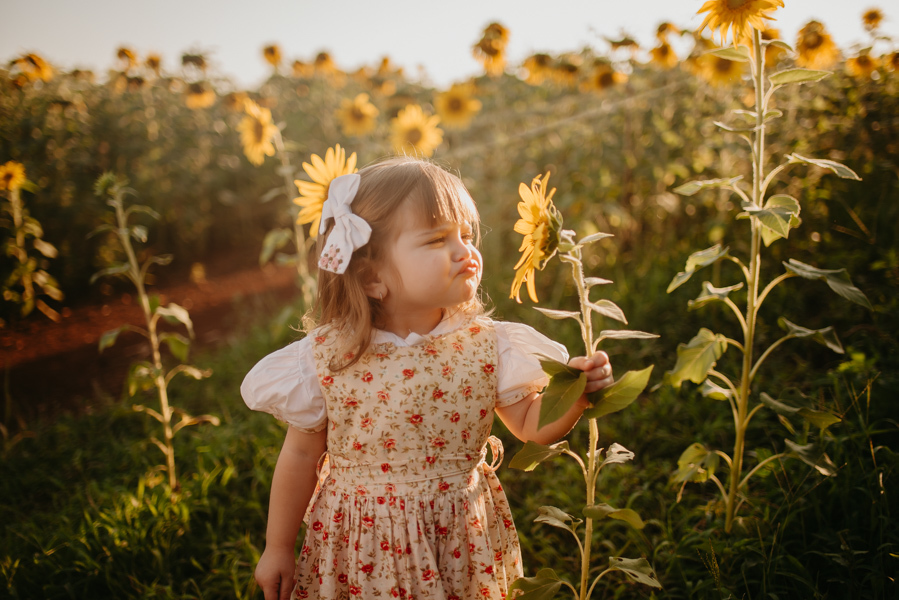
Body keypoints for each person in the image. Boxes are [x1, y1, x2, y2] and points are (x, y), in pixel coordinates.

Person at [241, 156, 614, 600]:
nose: (465, 251)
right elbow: (301, 458)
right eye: (438, 239)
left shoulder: (487, 345)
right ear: (371, 275)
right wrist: (278, 548)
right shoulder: (330, 357)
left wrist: (574, 395)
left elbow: (532, 426)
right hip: (361, 546)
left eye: (466, 235)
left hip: (458, 537)